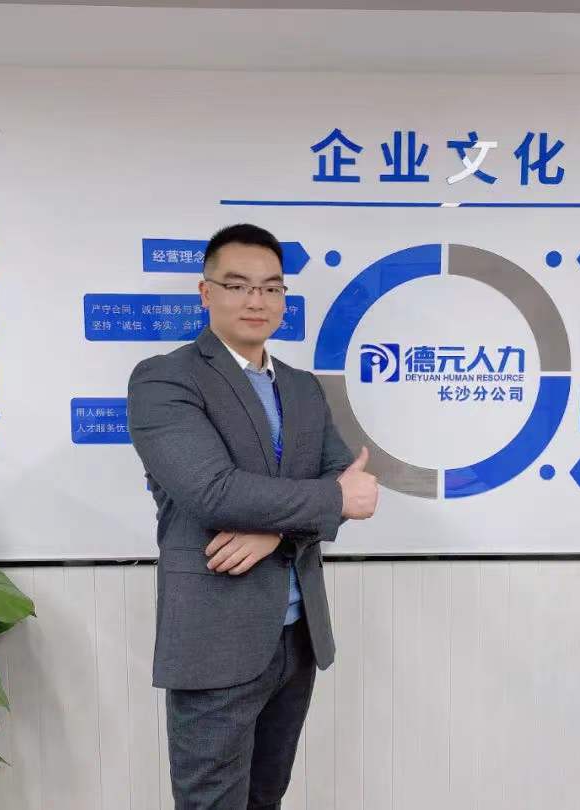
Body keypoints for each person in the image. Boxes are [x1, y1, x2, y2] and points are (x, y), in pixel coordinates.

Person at [127, 223, 379, 809]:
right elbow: (213, 492)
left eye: (270, 288)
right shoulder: (165, 378)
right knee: (211, 802)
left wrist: (275, 532)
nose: (255, 300)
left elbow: (343, 479)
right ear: (205, 292)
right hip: (216, 637)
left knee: (267, 797)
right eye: (237, 285)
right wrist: (331, 500)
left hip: (297, 637)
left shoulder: (303, 388)